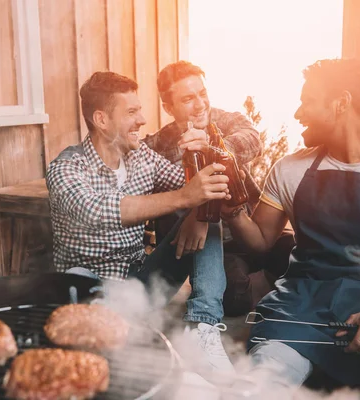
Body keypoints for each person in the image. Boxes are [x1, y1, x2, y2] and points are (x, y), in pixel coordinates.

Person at [221, 58, 360, 387]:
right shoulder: (289, 169)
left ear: (341, 102)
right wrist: (231, 208)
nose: (299, 113)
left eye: (307, 102)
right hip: (300, 315)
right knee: (260, 388)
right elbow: (260, 241)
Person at [46, 71, 235, 371]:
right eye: (132, 112)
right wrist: (187, 198)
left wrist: (201, 162)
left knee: (209, 217)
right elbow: (97, 211)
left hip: (142, 283)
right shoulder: (66, 168)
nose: (143, 120)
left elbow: (206, 190)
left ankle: (203, 327)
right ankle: (116, 342)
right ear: (102, 120)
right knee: (79, 279)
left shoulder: (142, 157)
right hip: (90, 290)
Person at [142, 60, 295, 316]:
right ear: (168, 107)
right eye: (188, 99)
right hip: (215, 248)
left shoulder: (226, 121)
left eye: (202, 94)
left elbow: (251, 140)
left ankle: (272, 287)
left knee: (296, 256)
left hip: (253, 228)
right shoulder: (157, 146)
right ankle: (267, 292)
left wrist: (214, 147)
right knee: (234, 294)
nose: (200, 105)